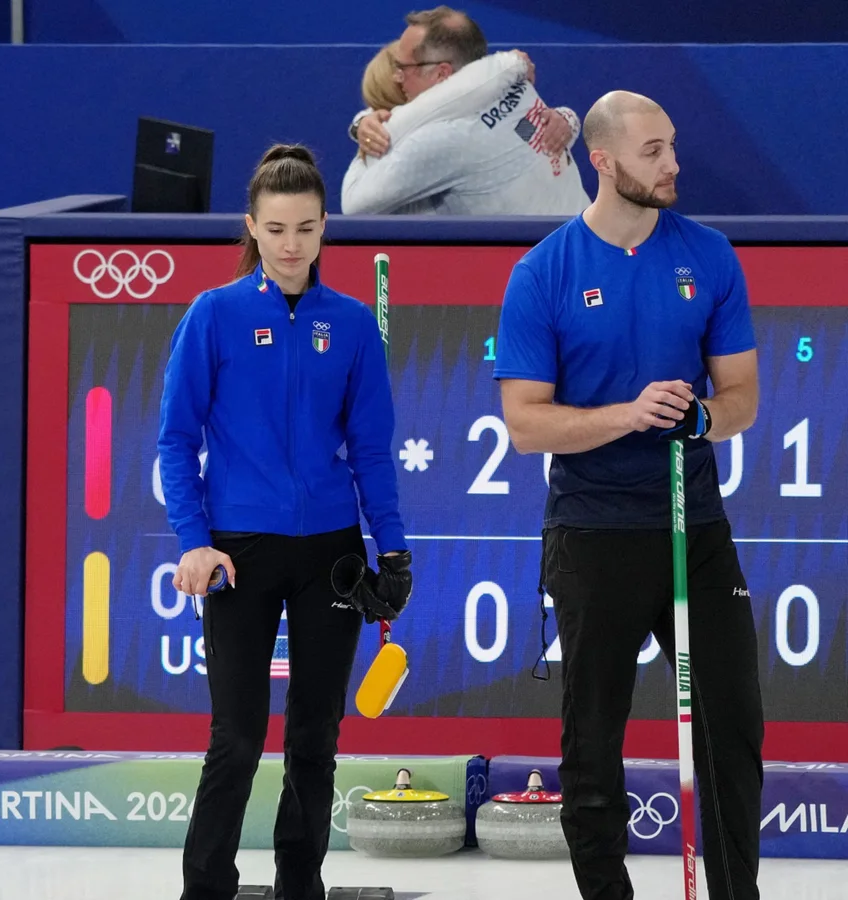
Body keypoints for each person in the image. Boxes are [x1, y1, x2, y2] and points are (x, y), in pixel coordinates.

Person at [493, 91, 763, 900]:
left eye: (672, 145)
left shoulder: (710, 255)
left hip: (693, 523)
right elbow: (525, 424)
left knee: (733, 726)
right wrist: (628, 415)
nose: (673, 163)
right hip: (593, 530)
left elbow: (744, 393)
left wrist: (704, 416)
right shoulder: (544, 272)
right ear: (603, 162)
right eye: (653, 151)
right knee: (591, 739)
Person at [156, 144, 413, 900]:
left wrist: (391, 551)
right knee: (235, 738)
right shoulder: (215, 315)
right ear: (252, 228)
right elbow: (176, 439)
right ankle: (206, 888)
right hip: (239, 550)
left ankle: (300, 885)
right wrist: (194, 542)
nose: (291, 244)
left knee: (315, 738)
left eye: (305, 227)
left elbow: (372, 450)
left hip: (330, 552)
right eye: (275, 228)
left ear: (325, 226)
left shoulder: (353, 325)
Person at [340, 6, 588, 215]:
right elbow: (524, 140)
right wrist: (568, 118)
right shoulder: (517, 84)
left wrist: (371, 129)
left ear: (441, 73)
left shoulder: (442, 141)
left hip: (543, 265)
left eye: (403, 68)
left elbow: (353, 203)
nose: (398, 77)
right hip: (586, 243)